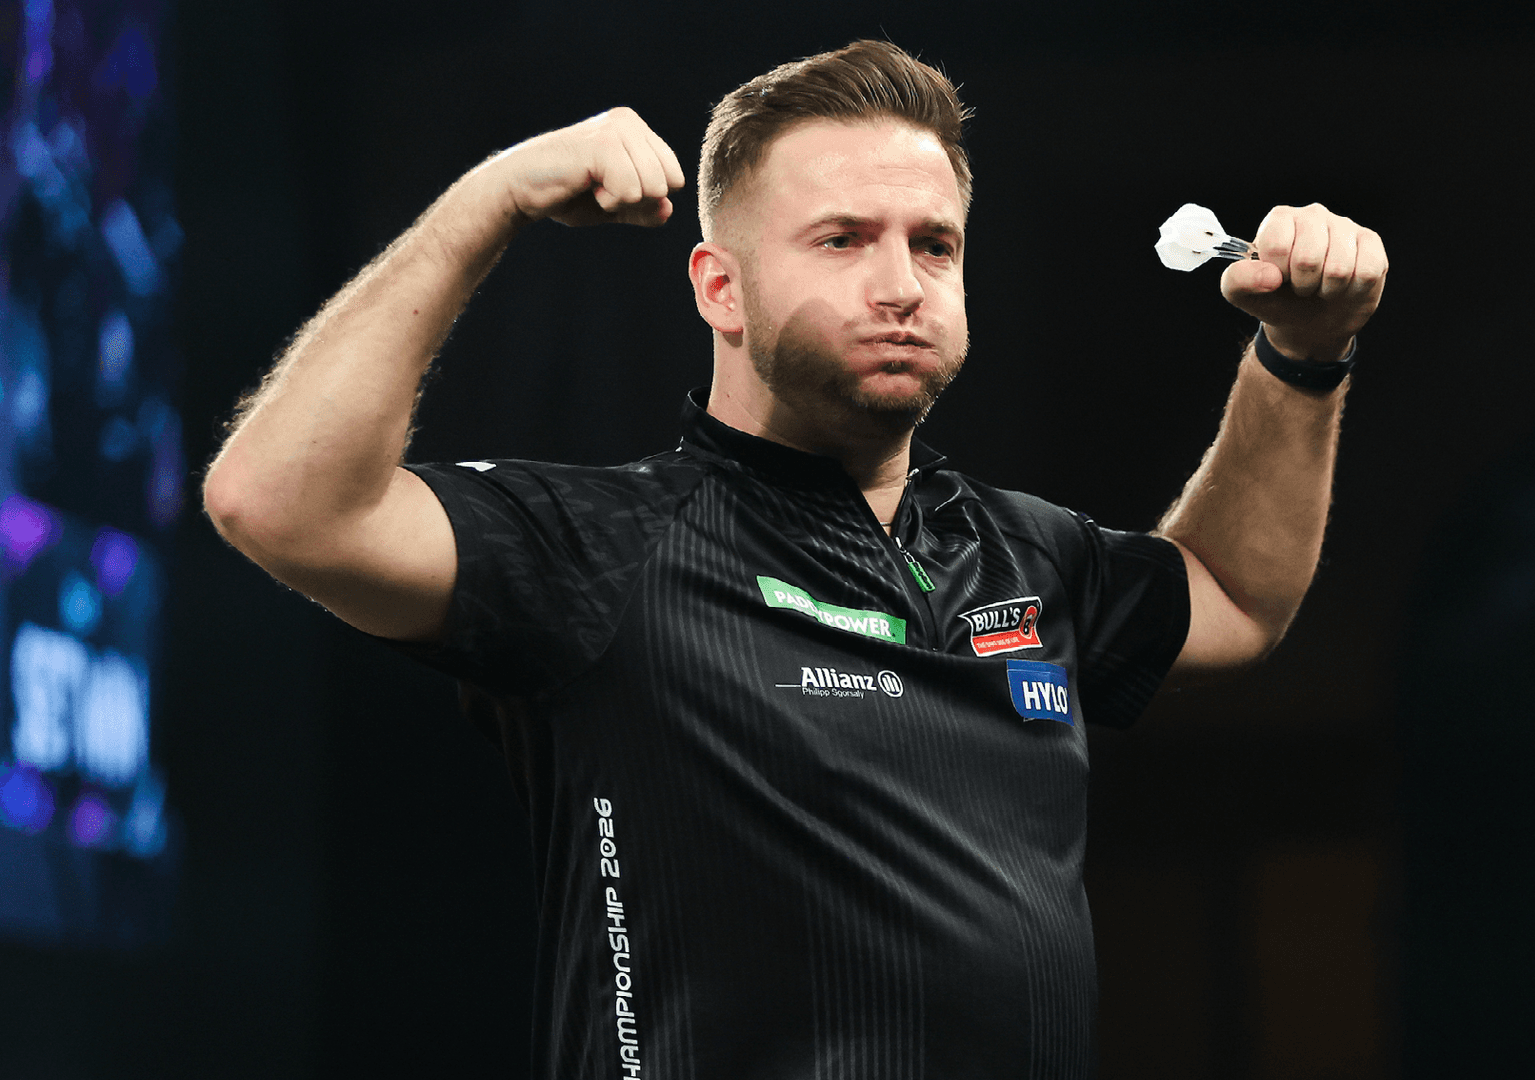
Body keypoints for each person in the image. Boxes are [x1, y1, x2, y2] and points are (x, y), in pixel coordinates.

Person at [203, 39, 1385, 1080]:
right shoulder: (605, 548)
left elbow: (1233, 596)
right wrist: (490, 200)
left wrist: (1303, 353)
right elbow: (277, 504)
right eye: (841, 240)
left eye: (934, 245)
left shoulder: (1029, 554)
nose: (899, 285)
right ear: (720, 288)